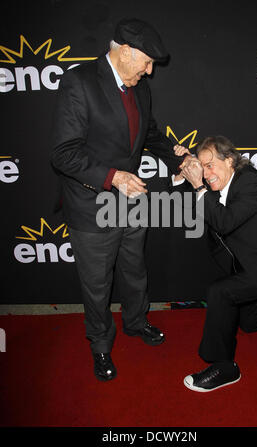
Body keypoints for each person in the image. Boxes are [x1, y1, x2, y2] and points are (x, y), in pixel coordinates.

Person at [51, 18, 184, 381]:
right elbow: (63, 154)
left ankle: (136, 322)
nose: (150, 71)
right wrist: (112, 178)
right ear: (125, 52)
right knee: (97, 285)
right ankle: (99, 345)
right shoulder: (80, 82)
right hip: (93, 205)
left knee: (134, 270)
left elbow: (149, 134)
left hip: (132, 201)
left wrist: (180, 157)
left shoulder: (137, 87)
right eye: (146, 62)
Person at [173, 135, 257, 392]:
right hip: (253, 263)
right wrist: (184, 177)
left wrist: (198, 186)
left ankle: (224, 368)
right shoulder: (220, 186)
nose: (206, 174)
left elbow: (223, 221)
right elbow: (197, 207)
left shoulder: (250, 182)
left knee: (220, 292)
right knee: (250, 323)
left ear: (229, 160)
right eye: (202, 166)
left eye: (211, 166)